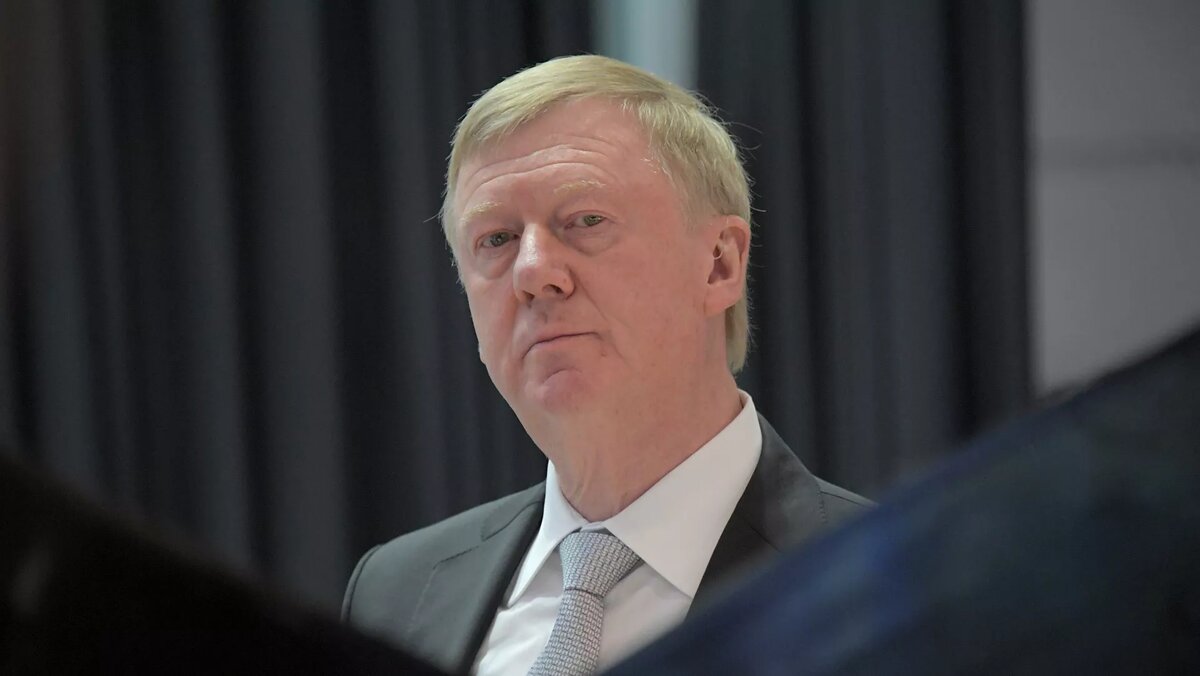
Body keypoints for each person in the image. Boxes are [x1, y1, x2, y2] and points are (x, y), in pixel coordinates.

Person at [342, 54, 872, 676]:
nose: (533, 271)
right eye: (497, 239)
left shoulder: (888, 578)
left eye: (586, 221)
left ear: (719, 264)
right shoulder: (395, 595)